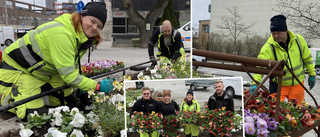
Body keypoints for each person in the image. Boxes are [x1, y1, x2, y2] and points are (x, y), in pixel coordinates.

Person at [0, 2, 114, 119]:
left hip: (41, 70)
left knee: (69, 101)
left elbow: (70, 66)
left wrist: (81, 86)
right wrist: (97, 86)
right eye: (92, 21)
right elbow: (69, 76)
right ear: (81, 16)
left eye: (99, 26)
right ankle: (7, 100)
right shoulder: (62, 34)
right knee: (36, 115)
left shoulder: (83, 38)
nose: (95, 28)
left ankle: (41, 96)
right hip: (18, 69)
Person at [250, 14, 316, 105]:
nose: (275, 36)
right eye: (273, 33)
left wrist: (312, 74)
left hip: (297, 84)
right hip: (278, 86)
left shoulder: (298, 40)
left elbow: (307, 58)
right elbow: (260, 66)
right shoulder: (268, 47)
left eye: (278, 33)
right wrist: (255, 83)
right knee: (274, 112)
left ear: (285, 31)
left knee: (298, 111)